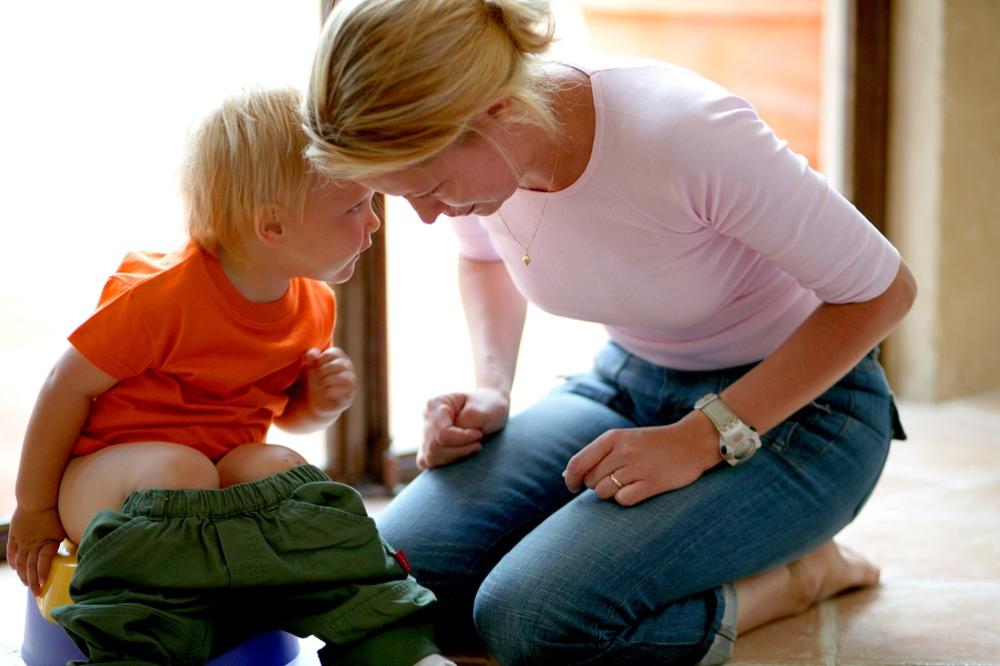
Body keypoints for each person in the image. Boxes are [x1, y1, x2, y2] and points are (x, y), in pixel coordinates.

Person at [302, 1, 917, 664]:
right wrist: (492, 387)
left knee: (532, 621)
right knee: (398, 582)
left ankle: (793, 580)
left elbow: (884, 292)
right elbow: (483, 256)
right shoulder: (481, 162)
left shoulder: (682, 132)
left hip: (805, 411)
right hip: (628, 380)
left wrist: (698, 438)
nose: (426, 215)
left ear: (496, 109)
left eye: (431, 186)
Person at [7, 88, 452, 666]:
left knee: (283, 469)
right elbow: (63, 387)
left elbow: (280, 413)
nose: (373, 222)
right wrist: (34, 508)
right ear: (272, 226)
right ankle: (141, 641)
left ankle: (391, 645)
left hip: (215, 483)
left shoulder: (313, 303)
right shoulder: (160, 299)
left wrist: (315, 403)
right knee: (181, 471)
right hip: (106, 481)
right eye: (354, 207)